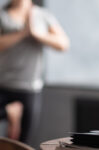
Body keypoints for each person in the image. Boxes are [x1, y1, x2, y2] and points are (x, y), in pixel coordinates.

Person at [0, 0, 69, 143]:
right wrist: (22, 33)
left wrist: (37, 34)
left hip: (30, 87)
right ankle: (10, 111)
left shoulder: (42, 15)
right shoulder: (3, 15)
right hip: (4, 84)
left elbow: (63, 44)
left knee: (23, 142)